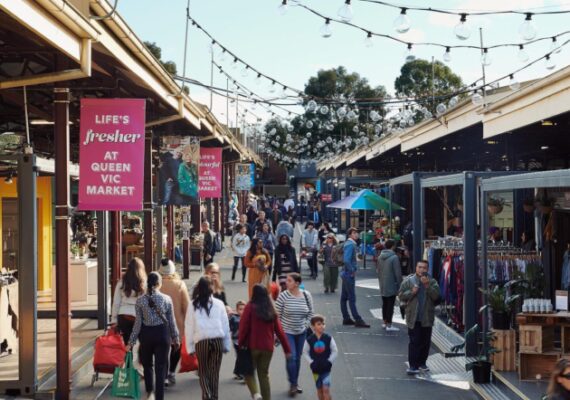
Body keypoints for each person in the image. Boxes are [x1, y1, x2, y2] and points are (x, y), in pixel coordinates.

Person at [127, 271, 180, 400]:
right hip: (162, 334)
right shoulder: (166, 299)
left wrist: (131, 341)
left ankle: (150, 392)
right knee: (161, 368)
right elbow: (171, 321)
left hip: (146, 335)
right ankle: (159, 397)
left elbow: (138, 323)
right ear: (159, 284)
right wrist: (176, 338)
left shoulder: (140, 301)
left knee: (147, 365)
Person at [239, 284, 292, 400]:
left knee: (248, 372)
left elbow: (243, 327)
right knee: (264, 375)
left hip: (253, 346)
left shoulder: (250, 307)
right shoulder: (271, 308)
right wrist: (287, 350)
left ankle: (256, 394)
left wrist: (241, 343)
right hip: (268, 348)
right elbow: (280, 332)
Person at [185, 276, 231, 400]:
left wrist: (190, 347)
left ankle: (206, 394)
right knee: (214, 372)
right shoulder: (219, 304)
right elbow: (225, 325)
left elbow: (189, 326)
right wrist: (227, 344)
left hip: (201, 340)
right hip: (217, 340)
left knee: (203, 370)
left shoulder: (193, 305)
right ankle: (214, 396)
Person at [398, 260, 441, 375]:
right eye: (419, 267)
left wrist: (427, 286)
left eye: (424, 268)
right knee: (414, 341)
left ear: (427, 269)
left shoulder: (432, 282)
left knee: (425, 342)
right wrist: (412, 292)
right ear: (416, 268)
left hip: (427, 316)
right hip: (413, 316)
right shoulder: (409, 281)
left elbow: (436, 297)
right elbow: (401, 295)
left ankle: (422, 363)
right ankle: (413, 365)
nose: (421, 270)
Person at [275, 273, 314, 397]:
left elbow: (311, 313)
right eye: (287, 280)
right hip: (287, 332)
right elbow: (277, 315)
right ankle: (293, 384)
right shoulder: (283, 296)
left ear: (297, 283)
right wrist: (277, 333)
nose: (286, 282)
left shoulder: (306, 295)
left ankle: (295, 383)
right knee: (291, 356)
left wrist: (306, 325)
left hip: (301, 332)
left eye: (289, 281)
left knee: (297, 358)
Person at [158, 258, 190, 386]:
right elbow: (186, 306)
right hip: (177, 322)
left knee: (163, 350)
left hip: (159, 324)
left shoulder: (157, 284)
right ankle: (171, 372)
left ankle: (164, 375)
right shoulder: (180, 284)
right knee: (176, 347)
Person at [111, 257, 147, 345]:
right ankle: (140, 358)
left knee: (127, 345)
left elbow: (116, 303)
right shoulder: (145, 283)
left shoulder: (121, 282)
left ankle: (128, 358)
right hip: (138, 317)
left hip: (123, 316)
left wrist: (114, 320)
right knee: (143, 345)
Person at [303, 315, 338, 400]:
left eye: (323, 324)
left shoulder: (328, 338)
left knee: (326, 389)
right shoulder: (310, 339)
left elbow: (335, 351)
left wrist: (329, 361)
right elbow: (305, 352)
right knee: (319, 389)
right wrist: (311, 362)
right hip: (315, 369)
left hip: (326, 369)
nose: (322, 326)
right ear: (313, 327)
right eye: (319, 324)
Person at [340, 228, 370, 328]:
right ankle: (358, 319)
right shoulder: (351, 244)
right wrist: (352, 270)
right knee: (351, 298)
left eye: (357, 233)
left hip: (345, 273)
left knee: (344, 297)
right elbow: (347, 260)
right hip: (348, 274)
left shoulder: (348, 244)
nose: (356, 234)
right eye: (354, 233)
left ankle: (346, 318)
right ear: (350, 235)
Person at [377, 239, 403, 332]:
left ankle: (384, 322)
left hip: (383, 283)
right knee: (390, 304)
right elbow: (398, 274)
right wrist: (401, 285)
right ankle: (389, 324)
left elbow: (378, 271)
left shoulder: (380, 257)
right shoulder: (394, 258)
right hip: (392, 284)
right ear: (393, 246)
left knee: (385, 304)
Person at [229, 300, 246, 381]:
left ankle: (238, 372)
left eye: (243, 309)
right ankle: (241, 373)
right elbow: (228, 327)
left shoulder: (247, 317)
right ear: (236, 309)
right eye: (240, 309)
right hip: (236, 341)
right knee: (240, 356)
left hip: (245, 341)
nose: (242, 311)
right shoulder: (233, 318)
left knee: (241, 357)